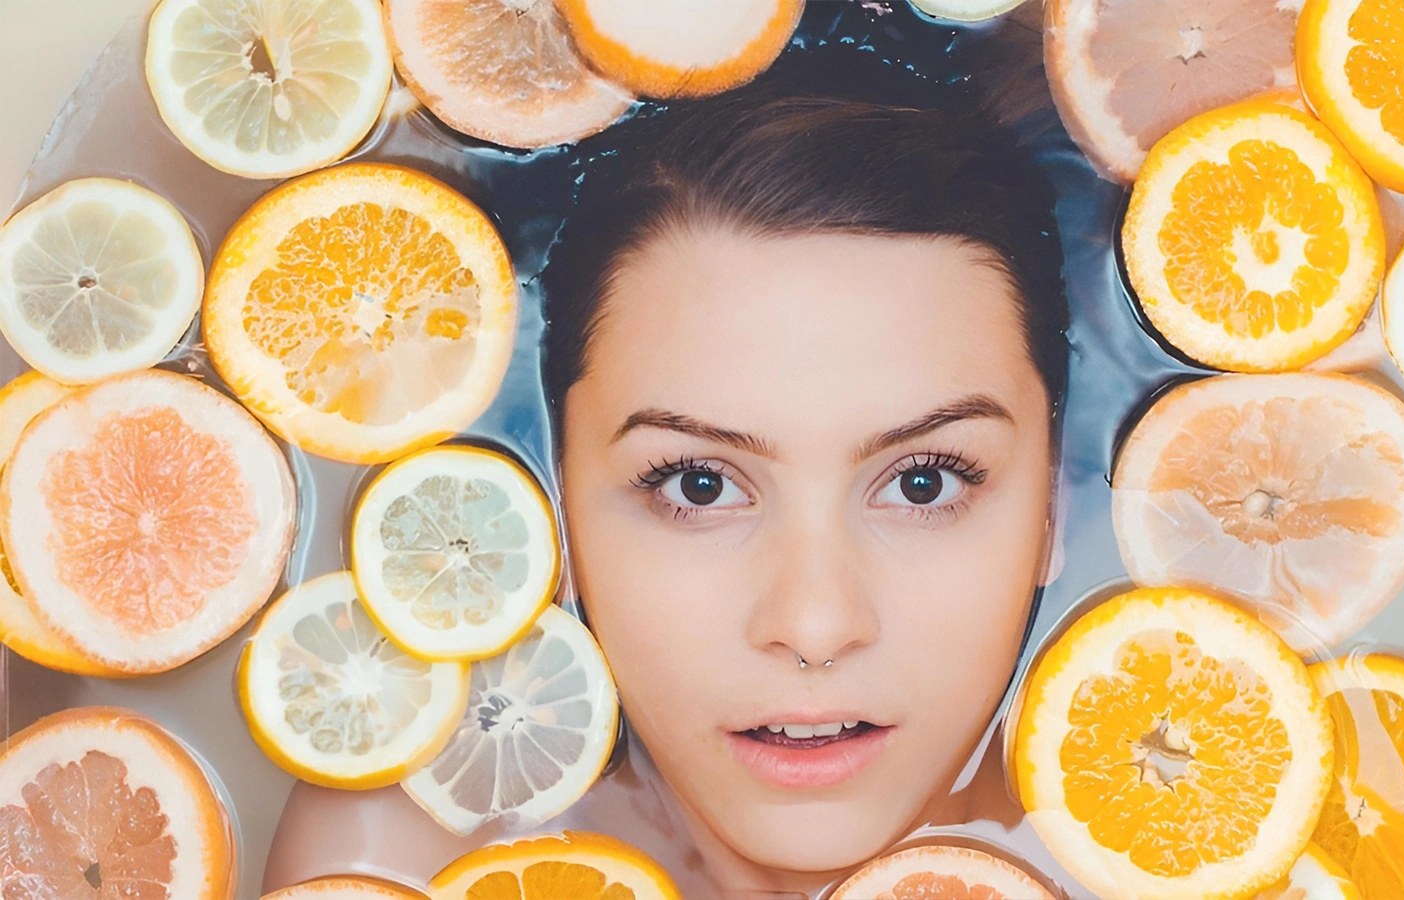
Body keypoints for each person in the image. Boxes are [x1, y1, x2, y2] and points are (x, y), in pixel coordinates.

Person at [263, 56, 1069, 899]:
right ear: (555, 514)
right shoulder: (402, 866)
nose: (815, 626)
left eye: (923, 484)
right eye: (698, 485)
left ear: (1054, 507)